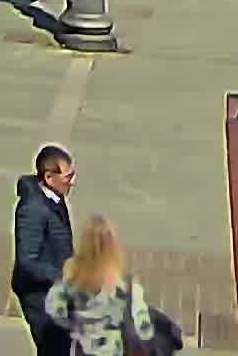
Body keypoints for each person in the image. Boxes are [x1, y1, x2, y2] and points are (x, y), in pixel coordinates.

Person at [36, 216, 179, 356]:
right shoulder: (127, 287)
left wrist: (75, 327)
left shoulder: (70, 283)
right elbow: (143, 329)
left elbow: (53, 311)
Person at [11, 145, 77, 356]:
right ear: (49, 177)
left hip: (56, 290)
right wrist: (63, 276)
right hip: (39, 297)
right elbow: (27, 261)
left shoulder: (54, 197)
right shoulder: (32, 210)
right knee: (54, 349)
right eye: (68, 176)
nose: (73, 181)